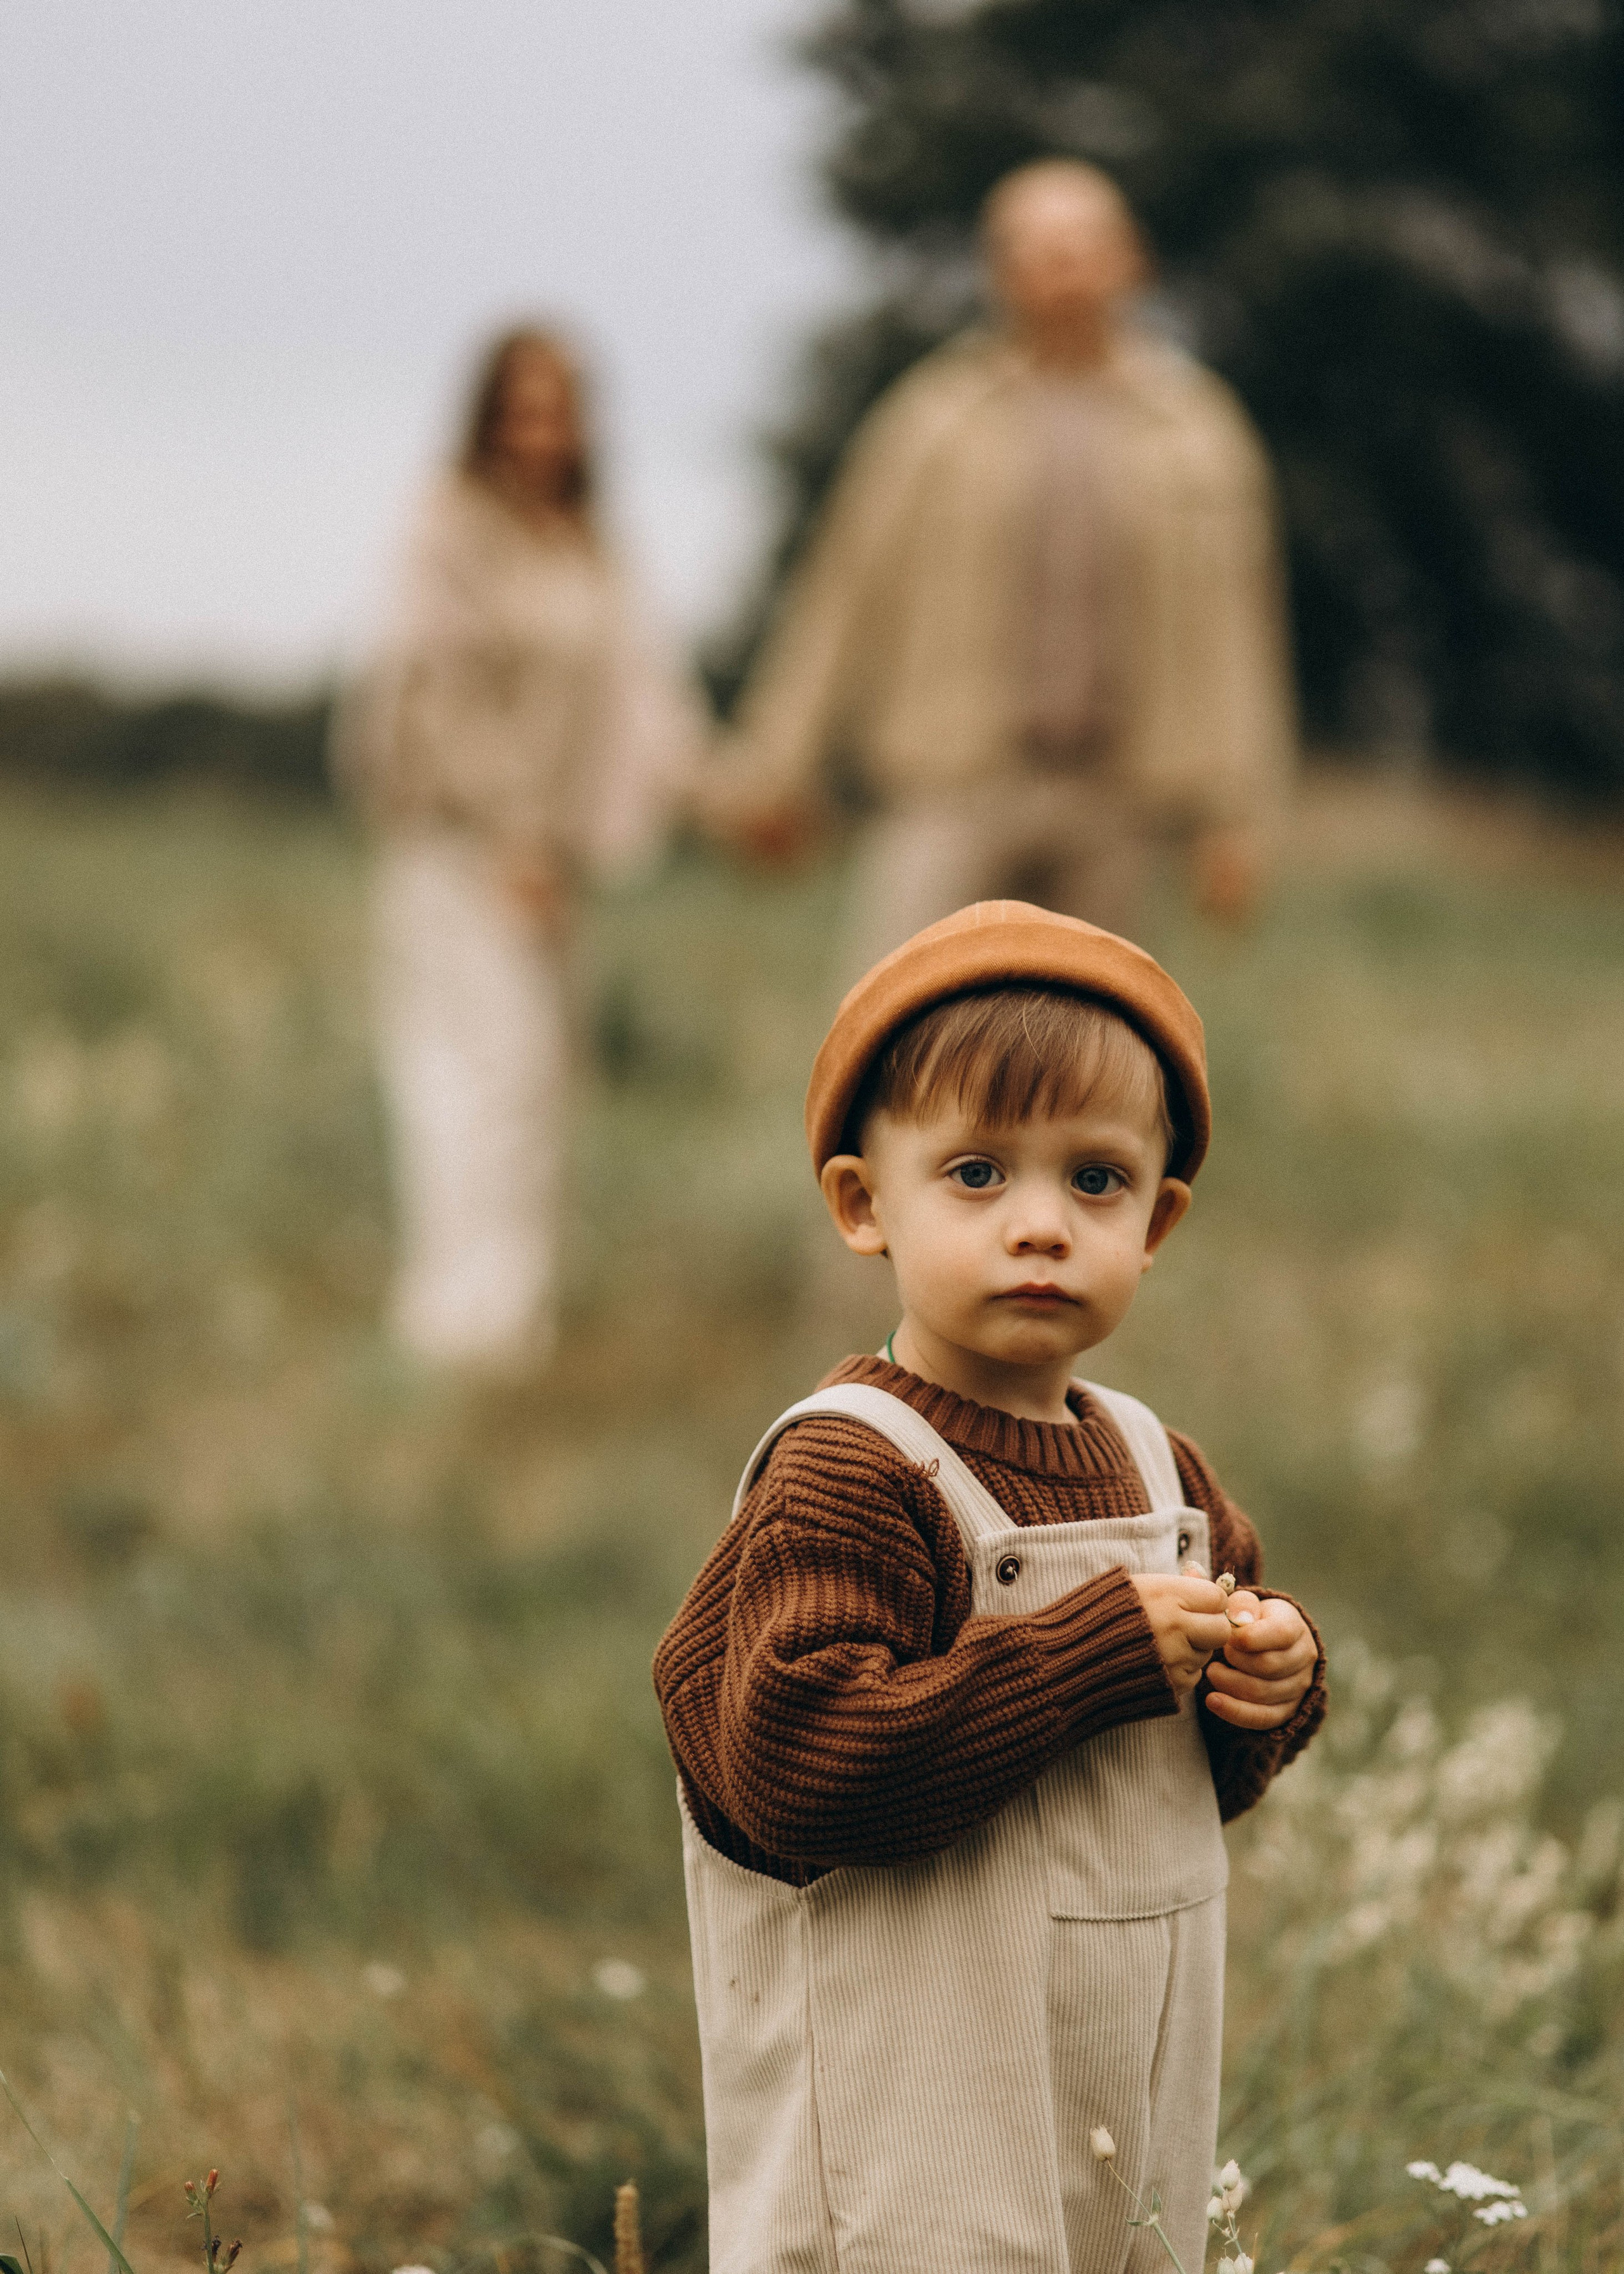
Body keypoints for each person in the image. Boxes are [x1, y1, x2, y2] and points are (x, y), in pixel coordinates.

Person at [654, 900, 1325, 2274]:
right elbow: (796, 1764)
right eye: (974, 1173)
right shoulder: (851, 1471)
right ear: (862, 1204)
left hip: (1112, 2077)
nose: (1038, 1225)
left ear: (1157, 1220)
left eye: (1094, 1181)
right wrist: (1095, 1654)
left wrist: (1267, 1687)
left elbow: (1203, 1776)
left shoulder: (1157, 1466)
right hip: (914, 2108)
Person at [705, 161, 1298, 973]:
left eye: (1085, 245)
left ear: (1132, 260)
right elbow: (845, 595)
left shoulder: (1197, 434)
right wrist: (774, 771)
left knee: (1099, 1062)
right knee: (905, 1038)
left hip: (1118, 799)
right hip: (954, 784)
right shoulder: (933, 419)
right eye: (1038, 250)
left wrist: (1241, 818)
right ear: (1000, 272)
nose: (1064, 270)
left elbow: (1239, 632)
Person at [335, 326, 705, 1372]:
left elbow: (646, 693)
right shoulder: (447, 526)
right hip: (458, 844)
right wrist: (512, 835)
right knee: (471, 1071)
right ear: (487, 415)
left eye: (562, 407)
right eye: (522, 407)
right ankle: (459, 1317)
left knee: (539, 1077)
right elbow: (438, 692)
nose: (543, 429)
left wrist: (722, 792)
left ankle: (512, 1310)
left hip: (555, 855)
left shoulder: (586, 536)